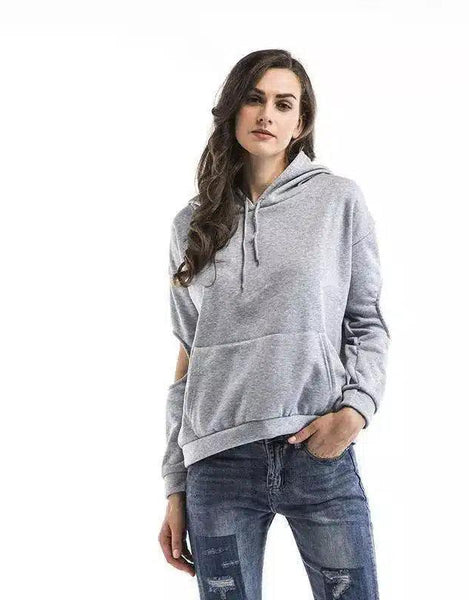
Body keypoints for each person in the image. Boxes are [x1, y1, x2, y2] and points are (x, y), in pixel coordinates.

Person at [158, 49, 391, 600]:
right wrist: (174, 482)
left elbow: (366, 322)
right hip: (217, 463)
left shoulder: (338, 201)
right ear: (233, 110)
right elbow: (188, 355)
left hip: (317, 451)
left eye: (283, 104)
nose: (267, 114)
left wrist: (356, 410)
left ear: (300, 122)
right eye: (254, 99)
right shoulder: (191, 224)